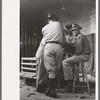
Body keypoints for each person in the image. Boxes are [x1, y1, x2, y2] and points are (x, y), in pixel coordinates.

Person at [42, 13, 65, 98]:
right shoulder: (59, 24)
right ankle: (50, 89)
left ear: (48, 20)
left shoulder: (44, 28)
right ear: (55, 18)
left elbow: (44, 40)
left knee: (51, 70)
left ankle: (52, 90)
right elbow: (63, 37)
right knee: (56, 70)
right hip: (59, 47)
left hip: (48, 46)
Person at [62, 24, 91, 89]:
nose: (74, 31)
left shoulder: (80, 36)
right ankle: (74, 81)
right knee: (70, 63)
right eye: (73, 30)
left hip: (84, 55)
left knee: (65, 62)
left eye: (75, 30)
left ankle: (70, 81)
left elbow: (79, 50)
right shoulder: (79, 36)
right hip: (84, 55)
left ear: (79, 29)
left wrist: (69, 50)